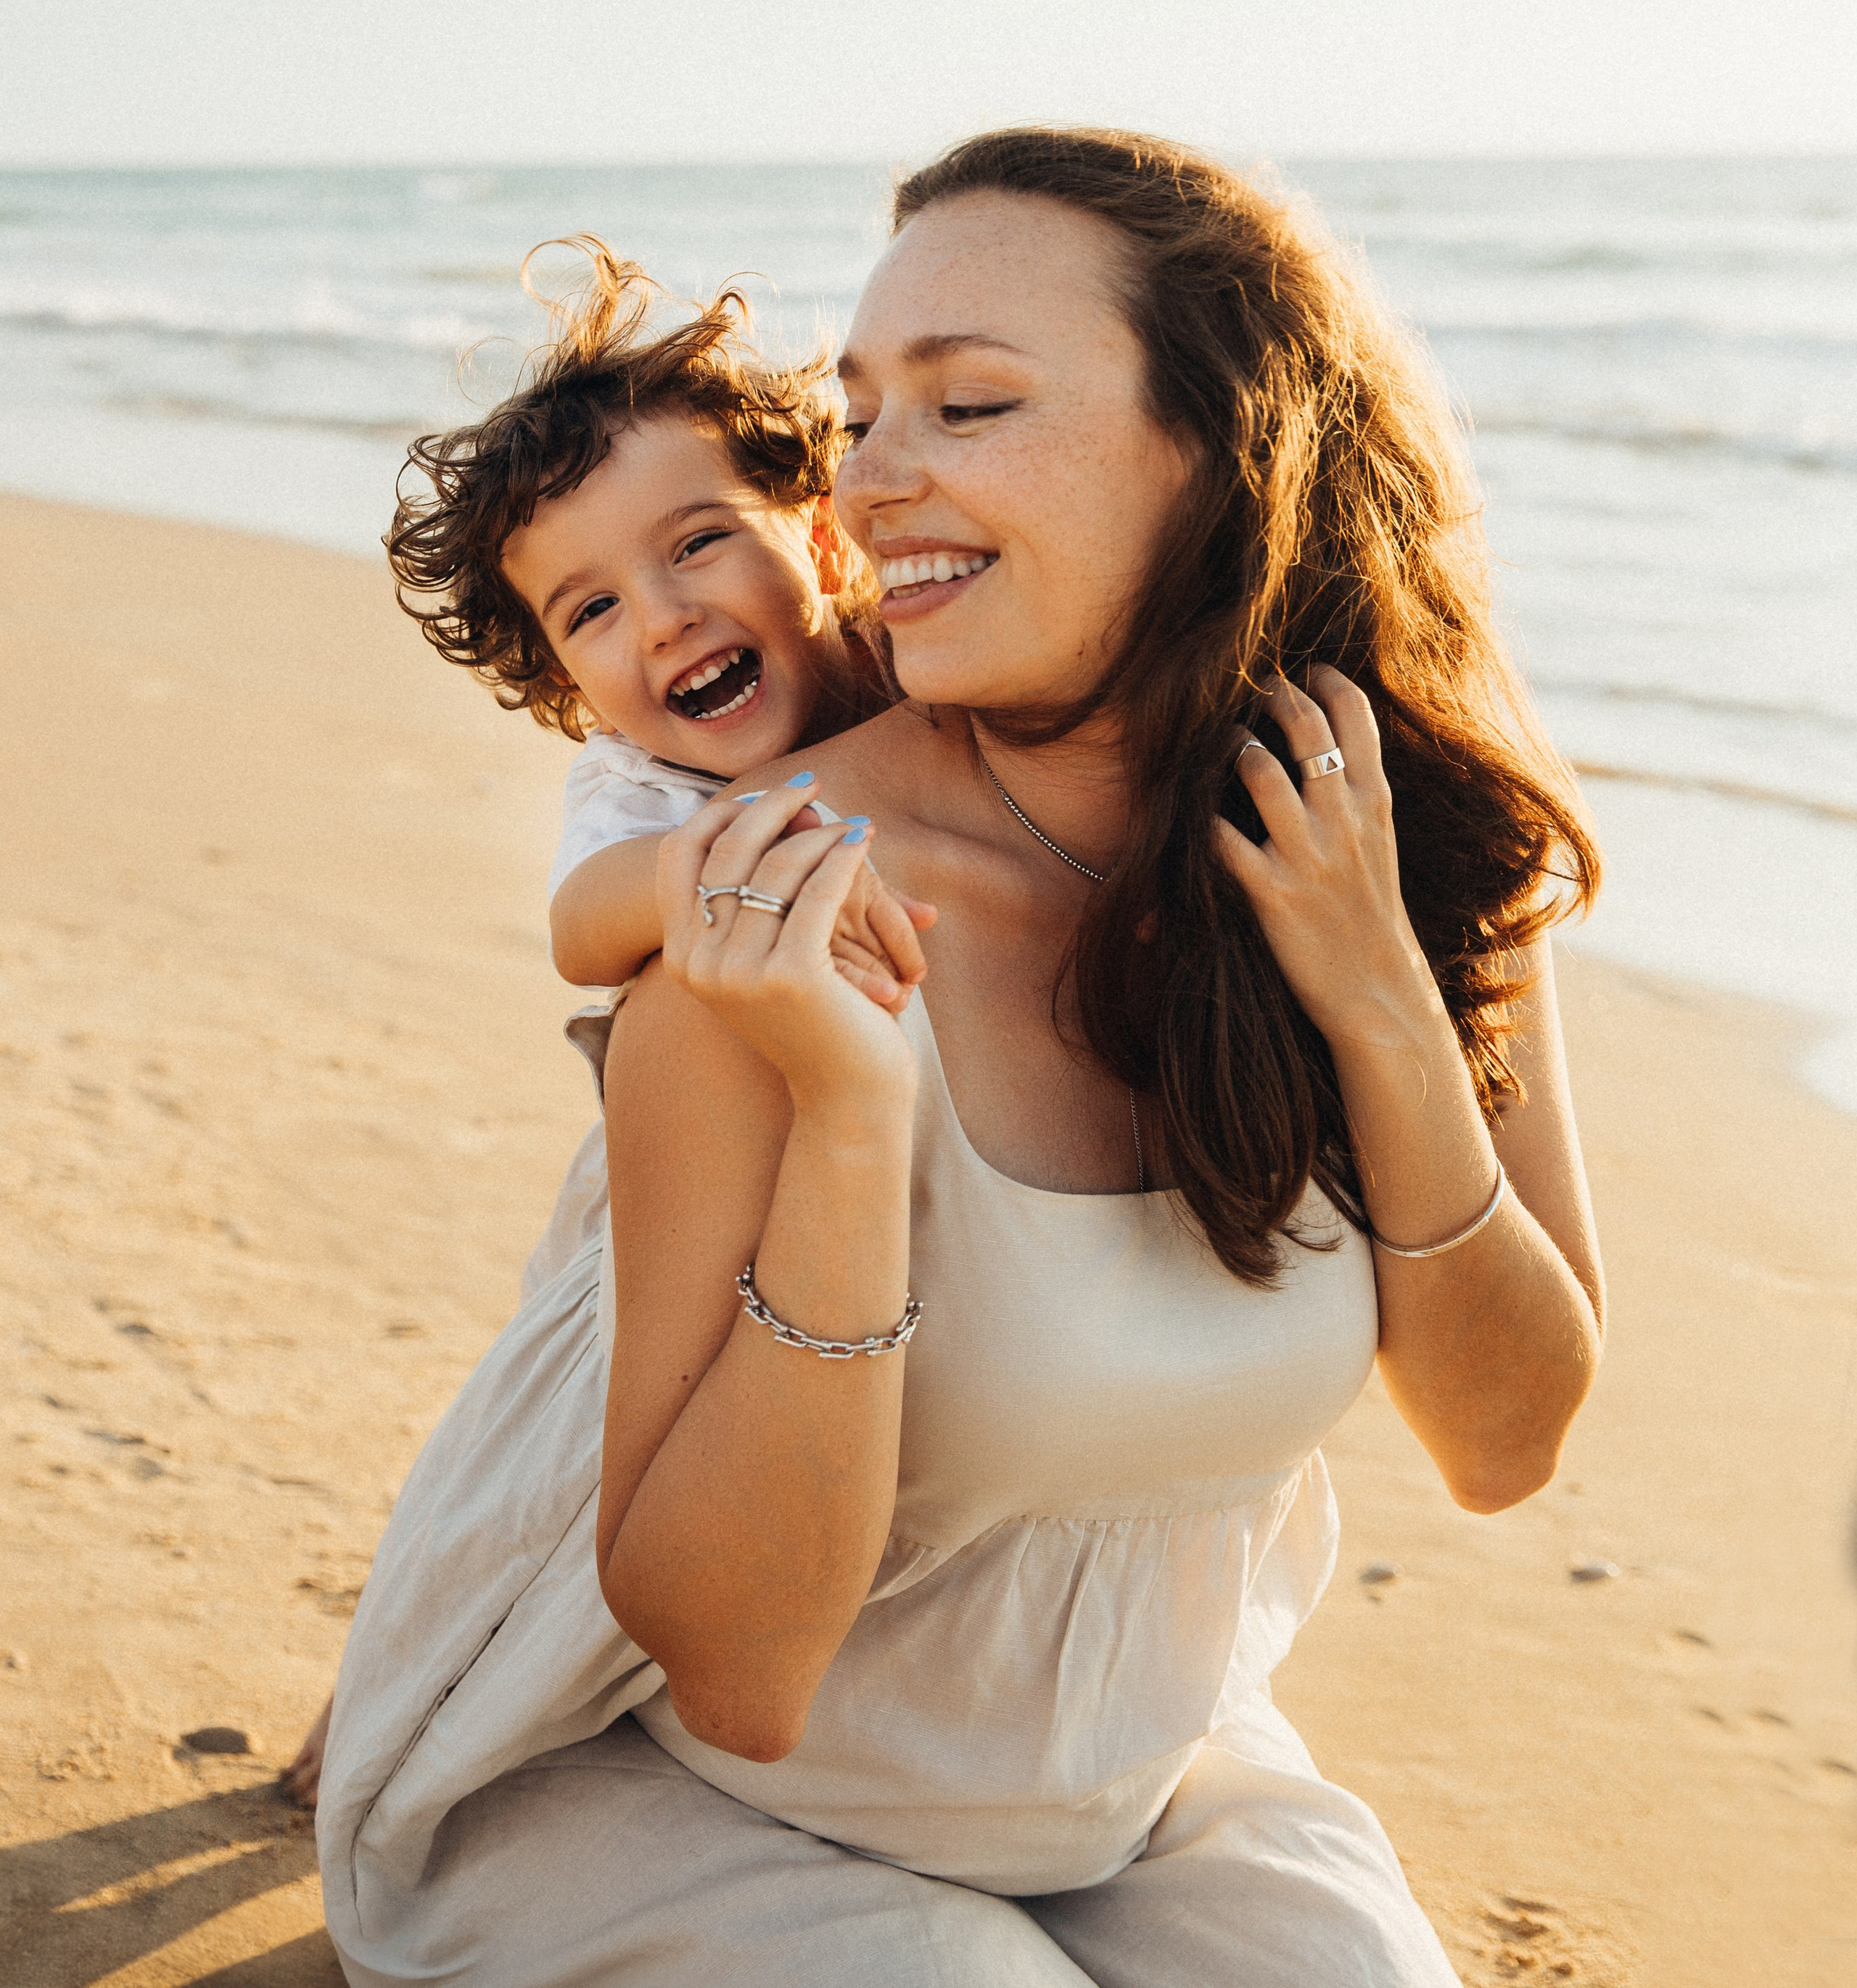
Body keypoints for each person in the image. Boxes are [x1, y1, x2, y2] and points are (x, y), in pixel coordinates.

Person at [317, 128, 1606, 1984]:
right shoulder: (772, 905)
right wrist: (847, 1124)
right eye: (858, 412)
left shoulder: (1399, 855)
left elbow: (1505, 1441)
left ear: (1222, 443)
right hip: (674, 1791)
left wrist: (1382, 1004)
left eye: (967, 403)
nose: (873, 479)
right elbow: (737, 1670)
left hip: (1141, 1787)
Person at [280, 242, 931, 1808]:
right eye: (590, 610)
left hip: (858, 1181)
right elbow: (583, 929)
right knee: (521, 1487)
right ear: (564, 681)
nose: (662, 618)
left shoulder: (926, 689)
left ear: (825, 537)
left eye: (700, 543)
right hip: (640, 1212)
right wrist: (732, 859)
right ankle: (384, 1707)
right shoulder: (646, 795)